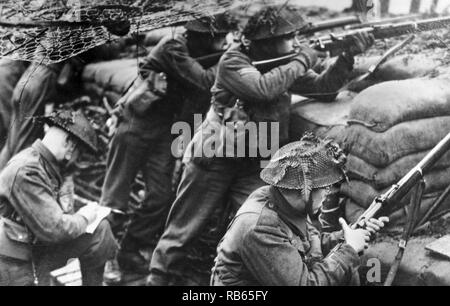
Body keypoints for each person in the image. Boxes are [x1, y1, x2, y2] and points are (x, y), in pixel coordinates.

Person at [147, 4, 375, 285]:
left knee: (261, 225)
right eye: (289, 37)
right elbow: (262, 88)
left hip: (254, 162)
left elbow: (323, 88)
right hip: (214, 157)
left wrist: (346, 57)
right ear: (265, 42)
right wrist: (304, 59)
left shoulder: (284, 64)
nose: (296, 42)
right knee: (182, 232)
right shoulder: (233, 61)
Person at [100, 12, 238, 278]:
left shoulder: (200, 52)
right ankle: (106, 256)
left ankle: (129, 249)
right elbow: (204, 81)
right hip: (134, 123)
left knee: (160, 197)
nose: (224, 42)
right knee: (114, 197)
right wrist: (232, 57)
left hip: (164, 131)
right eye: (219, 38)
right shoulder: (173, 46)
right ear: (200, 36)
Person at [211, 134, 389, 286]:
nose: (328, 195)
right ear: (303, 190)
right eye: (324, 188)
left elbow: (308, 244)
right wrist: (349, 249)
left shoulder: (288, 204)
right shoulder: (260, 227)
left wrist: (349, 235)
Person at [0, 110, 118, 286]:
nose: (75, 159)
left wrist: (67, 187)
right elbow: (56, 229)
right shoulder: (26, 171)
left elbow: (62, 216)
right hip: (14, 261)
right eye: (78, 153)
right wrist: (86, 216)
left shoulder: (45, 165)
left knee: (101, 231)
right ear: (70, 145)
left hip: (37, 249)